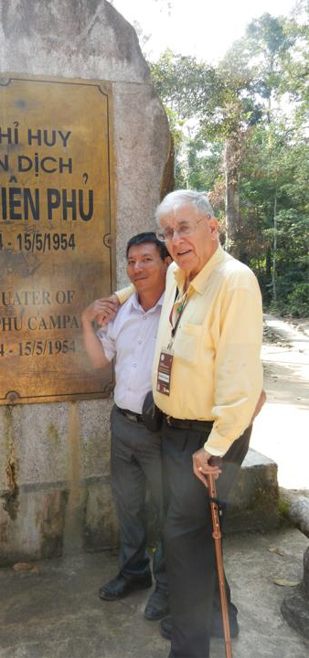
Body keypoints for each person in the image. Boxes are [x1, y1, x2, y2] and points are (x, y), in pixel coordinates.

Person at [117, 190, 263, 658]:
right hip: (173, 429)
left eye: (184, 227)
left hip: (206, 442)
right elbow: (145, 282)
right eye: (168, 232)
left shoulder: (234, 283)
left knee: (183, 545)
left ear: (212, 227)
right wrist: (115, 297)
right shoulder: (181, 274)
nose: (175, 240)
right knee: (192, 540)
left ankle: (189, 648)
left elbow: (241, 383)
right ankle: (222, 621)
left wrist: (215, 446)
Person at [81, 232, 171, 621]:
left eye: (147, 260)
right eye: (132, 261)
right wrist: (86, 320)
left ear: (167, 262)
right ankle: (134, 573)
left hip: (162, 430)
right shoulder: (122, 312)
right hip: (123, 424)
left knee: (168, 511)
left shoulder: (179, 309)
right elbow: (101, 360)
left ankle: (167, 588)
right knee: (129, 506)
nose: (137, 268)